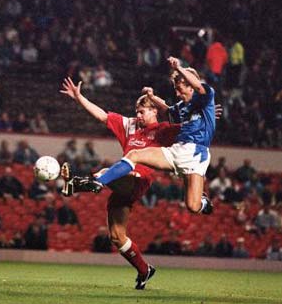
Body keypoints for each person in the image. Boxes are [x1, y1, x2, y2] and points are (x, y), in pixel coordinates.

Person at [60, 74, 221, 290]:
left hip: (136, 180)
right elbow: (103, 116)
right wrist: (80, 98)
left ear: (154, 111)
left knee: (107, 171)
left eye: (142, 111)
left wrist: (207, 114)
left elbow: (190, 124)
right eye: (137, 111)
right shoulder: (130, 125)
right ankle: (145, 270)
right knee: (117, 237)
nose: (138, 115)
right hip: (120, 182)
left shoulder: (165, 130)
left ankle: (85, 183)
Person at [64, 56, 216, 217]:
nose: (177, 93)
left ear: (190, 86)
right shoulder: (183, 107)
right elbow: (168, 111)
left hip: (196, 153)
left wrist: (179, 68)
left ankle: (204, 203)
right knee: (134, 155)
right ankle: (96, 182)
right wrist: (152, 97)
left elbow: (199, 87)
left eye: (179, 88)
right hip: (177, 150)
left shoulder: (205, 96)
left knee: (193, 206)